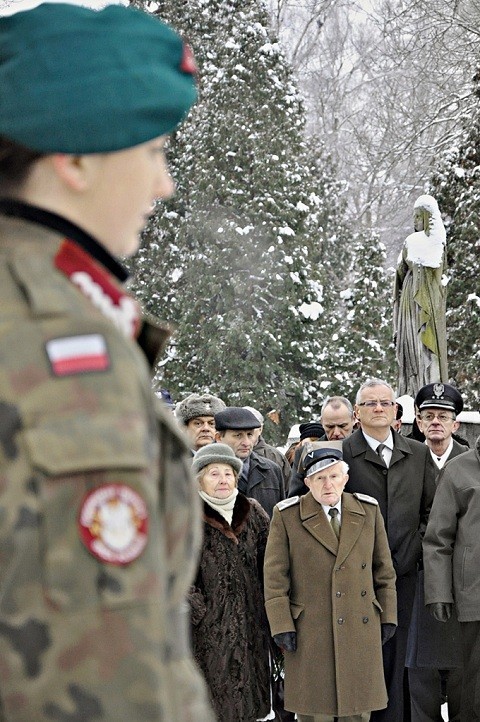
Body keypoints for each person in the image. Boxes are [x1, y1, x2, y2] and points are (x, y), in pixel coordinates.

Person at [0, 4, 214, 720]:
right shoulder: (52, 342)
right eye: (152, 151)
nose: (164, 186)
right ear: (77, 159)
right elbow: (100, 672)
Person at [264, 447, 397, 721]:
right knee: (315, 712)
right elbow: (275, 578)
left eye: (334, 476)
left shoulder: (367, 510)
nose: (328, 485)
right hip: (311, 630)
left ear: (345, 478)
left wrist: (388, 617)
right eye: (319, 478)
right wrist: (281, 625)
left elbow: (383, 570)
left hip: (360, 627)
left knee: (358, 711)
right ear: (307, 482)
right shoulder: (288, 516)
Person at [343, 378, 436, 722]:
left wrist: (413, 548)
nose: (379, 408)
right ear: (357, 413)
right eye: (370, 404)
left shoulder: (418, 453)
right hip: (358, 579)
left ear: (397, 410)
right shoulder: (340, 455)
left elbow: (432, 510)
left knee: (404, 662)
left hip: (408, 574)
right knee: (367, 661)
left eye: (386, 402)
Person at [189, 443, 272, 722]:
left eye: (228, 473)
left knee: (251, 704)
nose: (223, 479)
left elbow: (272, 563)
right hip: (209, 633)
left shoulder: (254, 512)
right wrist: (201, 613)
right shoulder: (185, 518)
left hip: (253, 627)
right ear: (199, 479)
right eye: (214, 473)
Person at [406, 382, 466, 722]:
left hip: (462, 573)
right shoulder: (410, 460)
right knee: (421, 666)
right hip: (419, 572)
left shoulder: (469, 460)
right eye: (428, 416)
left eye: (443, 416)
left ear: (455, 424)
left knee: (461, 664)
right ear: (418, 421)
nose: (435, 423)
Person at [423, 433, 480, 720]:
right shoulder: (458, 469)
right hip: (473, 595)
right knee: (471, 682)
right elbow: (437, 539)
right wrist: (439, 593)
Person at [394, 194, 448, 397]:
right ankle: (411, 388)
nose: (416, 221)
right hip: (410, 299)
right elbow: (400, 272)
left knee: (427, 347)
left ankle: (430, 386)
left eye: (419, 217)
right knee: (410, 344)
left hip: (430, 304)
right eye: (414, 217)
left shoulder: (437, 243)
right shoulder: (410, 241)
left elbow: (441, 274)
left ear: (428, 218)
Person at [214, 407, 285, 518]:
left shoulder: (272, 470)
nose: (246, 442)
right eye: (238, 435)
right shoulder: (200, 471)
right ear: (219, 437)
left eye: (250, 435)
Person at [289, 399, 355, 498]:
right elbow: (296, 498)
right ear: (322, 422)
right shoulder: (305, 452)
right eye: (330, 427)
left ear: (353, 419)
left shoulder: (367, 447)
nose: (336, 432)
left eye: (342, 426)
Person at [244, 405, 292, 490]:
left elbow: (289, 491)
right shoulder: (228, 454)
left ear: (260, 429)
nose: (245, 436)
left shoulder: (276, 457)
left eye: (250, 431)